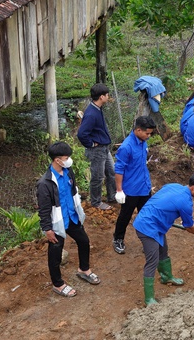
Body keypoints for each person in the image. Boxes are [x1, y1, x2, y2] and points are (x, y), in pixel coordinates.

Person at [133, 174, 194, 305]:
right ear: (193, 188)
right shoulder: (186, 202)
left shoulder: (173, 186)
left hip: (156, 223)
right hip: (146, 227)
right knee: (152, 260)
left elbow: (163, 200)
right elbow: (189, 226)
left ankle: (166, 277)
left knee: (163, 250)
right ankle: (149, 299)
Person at [37, 141, 100, 297]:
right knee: (55, 253)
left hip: (71, 217)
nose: (69, 160)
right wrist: (47, 229)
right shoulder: (44, 183)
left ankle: (84, 270)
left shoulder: (68, 172)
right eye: (67, 157)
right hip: (57, 222)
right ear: (57, 160)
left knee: (84, 241)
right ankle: (58, 284)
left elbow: (73, 192)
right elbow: (44, 210)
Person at [112, 116, 156, 255]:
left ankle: (148, 241)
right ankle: (118, 239)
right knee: (125, 215)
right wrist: (119, 190)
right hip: (131, 189)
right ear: (138, 130)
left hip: (144, 186)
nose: (149, 136)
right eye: (147, 133)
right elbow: (119, 169)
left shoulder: (143, 141)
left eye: (150, 133)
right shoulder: (126, 147)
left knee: (147, 215)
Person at [77, 83, 116, 210]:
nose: (108, 97)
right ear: (101, 97)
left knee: (111, 172)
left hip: (104, 148)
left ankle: (112, 196)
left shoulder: (97, 109)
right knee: (98, 177)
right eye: (106, 95)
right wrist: (91, 144)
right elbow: (82, 134)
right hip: (97, 150)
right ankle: (96, 202)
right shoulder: (92, 114)